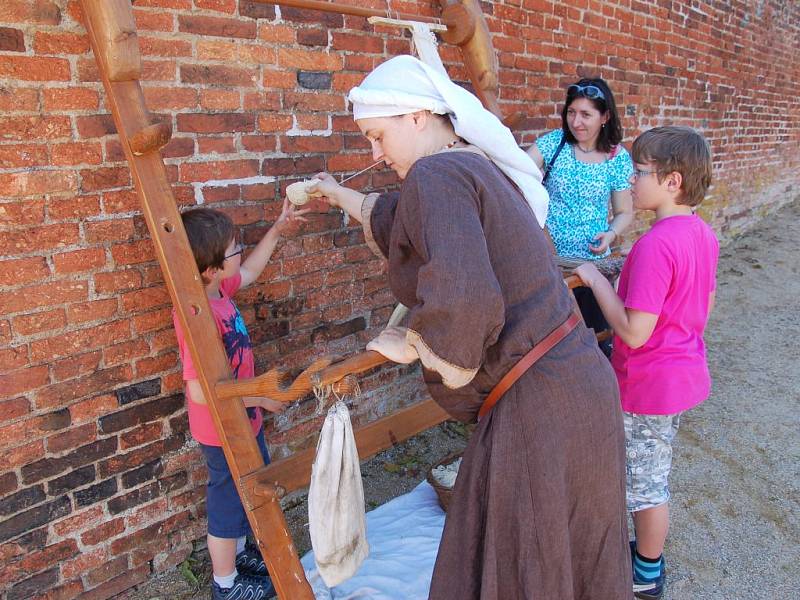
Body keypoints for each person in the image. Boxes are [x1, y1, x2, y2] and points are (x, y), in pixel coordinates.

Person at [311, 54, 632, 600]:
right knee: (574, 551)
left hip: (541, 406)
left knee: (526, 558)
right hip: (581, 390)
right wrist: (335, 193)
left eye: (376, 136)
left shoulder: (437, 174)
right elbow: (400, 219)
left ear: (415, 119)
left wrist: (415, 342)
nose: (374, 153)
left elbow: (465, 296)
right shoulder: (477, 165)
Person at [575, 126, 718, 600]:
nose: (631, 181)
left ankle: (646, 573)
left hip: (647, 386)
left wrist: (597, 280)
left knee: (645, 485)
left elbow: (635, 331)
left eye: (639, 172)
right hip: (679, 374)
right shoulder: (701, 234)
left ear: (672, 181)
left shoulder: (655, 244)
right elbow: (704, 303)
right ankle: (645, 559)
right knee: (649, 472)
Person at [173, 200, 307, 600]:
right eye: (234, 248)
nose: (240, 253)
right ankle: (225, 584)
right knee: (228, 504)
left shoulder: (218, 289)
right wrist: (261, 398)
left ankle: (244, 558)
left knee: (250, 490)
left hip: (244, 418)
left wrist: (279, 229)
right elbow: (200, 390)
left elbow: (250, 271)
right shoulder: (195, 315)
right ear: (211, 267)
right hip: (221, 430)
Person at [527, 78, 634, 353]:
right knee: (552, 340)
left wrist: (610, 233)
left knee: (595, 340)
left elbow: (624, 212)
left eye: (586, 114)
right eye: (571, 112)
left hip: (591, 267)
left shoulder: (616, 158)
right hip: (548, 262)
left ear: (605, 117)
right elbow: (518, 172)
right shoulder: (554, 144)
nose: (576, 122)